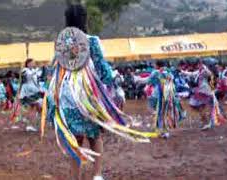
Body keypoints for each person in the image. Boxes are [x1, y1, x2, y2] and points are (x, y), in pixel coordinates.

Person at [42, 4, 156, 180]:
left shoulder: (60, 42)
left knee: (75, 138)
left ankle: (75, 177)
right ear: (84, 19)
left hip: (66, 94)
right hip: (87, 93)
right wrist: (112, 85)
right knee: (95, 135)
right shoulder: (92, 40)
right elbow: (102, 69)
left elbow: (56, 69)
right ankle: (97, 174)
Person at [134, 61, 186, 138]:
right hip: (169, 95)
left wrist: (137, 79)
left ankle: (162, 130)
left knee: (160, 112)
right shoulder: (169, 72)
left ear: (157, 65)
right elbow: (172, 82)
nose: (154, 66)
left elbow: (148, 81)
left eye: (155, 64)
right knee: (165, 112)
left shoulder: (156, 72)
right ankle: (163, 129)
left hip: (159, 95)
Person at [180, 61, 227, 130]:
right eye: (198, 64)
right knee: (199, 105)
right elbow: (192, 74)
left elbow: (210, 74)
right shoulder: (199, 71)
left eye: (200, 64)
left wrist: (205, 68)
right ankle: (207, 120)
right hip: (201, 91)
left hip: (206, 92)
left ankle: (209, 121)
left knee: (210, 106)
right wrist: (183, 72)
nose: (198, 66)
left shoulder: (205, 71)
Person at [13, 58, 44, 132]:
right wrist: (37, 69)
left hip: (34, 91)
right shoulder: (25, 70)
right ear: (28, 64)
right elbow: (28, 76)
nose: (34, 64)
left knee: (37, 108)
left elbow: (39, 74)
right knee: (37, 106)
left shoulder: (33, 70)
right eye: (32, 63)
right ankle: (28, 122)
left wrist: (42, 68)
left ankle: (31, 124)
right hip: (28, 92)